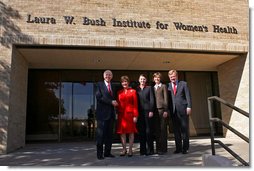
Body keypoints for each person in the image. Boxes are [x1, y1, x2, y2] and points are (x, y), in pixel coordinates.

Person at [95, 70, 118, 160]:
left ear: (111, 76)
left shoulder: (113, 86)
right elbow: (99, 97)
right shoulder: (99, 85)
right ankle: (99, 154)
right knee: (101, 135)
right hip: (102, 115)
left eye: (109, 75)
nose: (108, 76)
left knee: (109, 135)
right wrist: (111, 102)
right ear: (103, 76)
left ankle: (107, 153)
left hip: (111, 115)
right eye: (106, 75)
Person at [168, 70, 192, 154]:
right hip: (173, 111)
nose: (172, 78)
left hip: (183, 110)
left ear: (177, 76)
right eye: (171, 77)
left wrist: (189, 106)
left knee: (184, 130)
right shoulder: (168, 86)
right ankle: (178, 148)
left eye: (173, 76)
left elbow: (188, 95)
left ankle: (185, 148)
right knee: (176, 131)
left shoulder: (183, 84)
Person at [116, 76, 139, 157]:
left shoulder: (133, 91)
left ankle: (130, 150)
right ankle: (124, 149)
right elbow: (118, 105)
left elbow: (135, 104)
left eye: (126, 82)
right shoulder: (119, 92)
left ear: (128, 82)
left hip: (130, 115)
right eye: (123, 82)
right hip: (121, 115)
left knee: (131, 132)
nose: (124, 83)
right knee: (122, 133)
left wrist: (135, 115)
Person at [136, 74, 155, 156]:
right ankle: (142, 150)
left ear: (146, 80)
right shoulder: (136, 89)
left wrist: (151, 110)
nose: (142, 81)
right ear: (139, 80)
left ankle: (150, 150)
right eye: (141, 79)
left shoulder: (149, 88)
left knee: (149, 131)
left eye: (144, 79)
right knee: (142, 132)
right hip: (139, 113)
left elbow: (152, 100)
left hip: (148, 112)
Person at [153, 72, 169, 155]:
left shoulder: (163, 86)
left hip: (163, 110)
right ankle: (158, 149)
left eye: (158, 78)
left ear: (160, 78)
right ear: (154, 79)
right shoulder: (153, 88)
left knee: (163, 130)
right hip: (155, 111)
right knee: (157, 131)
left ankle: (164, 149)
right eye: (155, 78)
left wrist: (166, 110)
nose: (157, 79)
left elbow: (166, 99)